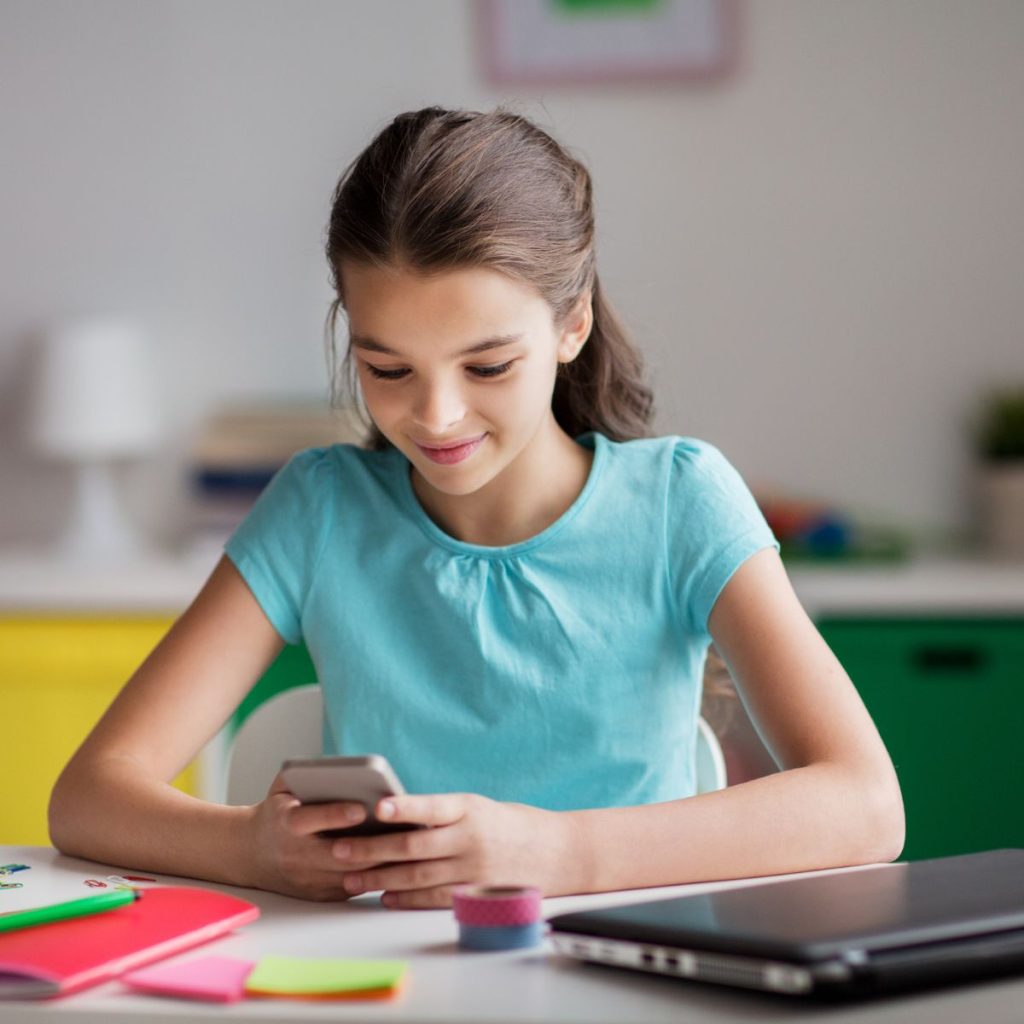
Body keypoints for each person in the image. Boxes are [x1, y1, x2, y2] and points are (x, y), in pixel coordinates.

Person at [49, 106, 904, 909]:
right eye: (388, 369)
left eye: (487, 366)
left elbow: (866, 804)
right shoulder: (320, 511)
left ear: (571, 326)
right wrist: (251, 850)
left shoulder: (682, 502)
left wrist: (561, 855)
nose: (436, 416)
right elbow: (89, 797)